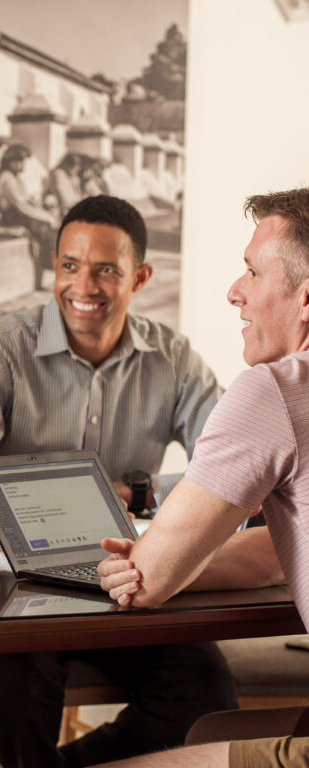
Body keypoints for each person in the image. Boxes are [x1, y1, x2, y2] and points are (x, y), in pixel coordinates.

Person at [0, 194, 237, 767]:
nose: (83, 286)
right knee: (12, 689)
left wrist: (143, 494)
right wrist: (52, 505)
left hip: (127, 583)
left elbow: (230, 471)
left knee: (203, 688)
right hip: (10, 588)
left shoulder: (174, 360)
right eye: (70, 265)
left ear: (140, 277)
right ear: (53, 265)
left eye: (106, 270)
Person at [95, 189, 309, 766]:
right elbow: (278, 551)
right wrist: (168, 562)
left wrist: (147, 564)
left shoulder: (276, 391)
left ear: (306, 298)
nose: (235, 291)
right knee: (206, 729)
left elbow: (149, 583)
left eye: (253, 272)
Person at [0, 143, 59, 289]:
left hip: (22, 215)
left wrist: (47, 215)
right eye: (18, 161)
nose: (22, 164)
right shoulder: (7, 179)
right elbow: (20, 206)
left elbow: (27, 202)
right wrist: (45, 218)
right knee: (46, 231)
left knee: (51, 229)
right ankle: (52, 269)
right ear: (9, 162)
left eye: (22, 161)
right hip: (12, 217)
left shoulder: (16, 178)